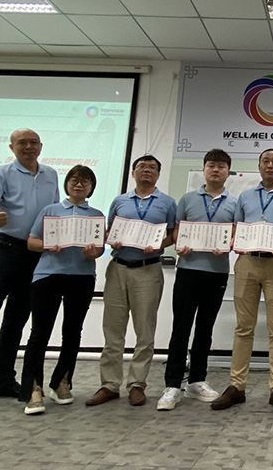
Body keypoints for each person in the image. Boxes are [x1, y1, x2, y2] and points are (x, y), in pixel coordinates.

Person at [0, 128, 60, 410]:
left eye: (33, 142)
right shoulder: (1, 173)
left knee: (16, 321)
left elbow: (54, 213)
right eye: (22, 143)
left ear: (40, 146)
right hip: (4, 250)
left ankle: (4, 381)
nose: (28, 147)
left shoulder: (51, 175)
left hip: (34, 254)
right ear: (12, 147)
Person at [211, 149, 273, 413]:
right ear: (259, 166)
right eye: (266, 161)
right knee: (244, 327)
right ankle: (236, 386)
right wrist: (229, 240)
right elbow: (237, 228)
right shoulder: (245, 196)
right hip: (248, 263)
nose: (270, 165)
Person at [85, 155, 176, 407]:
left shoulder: (167, 202)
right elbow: (108, 231)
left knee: (145, 331)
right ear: (133, 173)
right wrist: (111, 240)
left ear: (158, 174)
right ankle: (109, 385)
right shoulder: (119, 201)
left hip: (149, 269)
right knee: (113, 329)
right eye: (142, 167)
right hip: (118, 268)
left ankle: (137, 384)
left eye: (152, 167)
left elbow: (173, 234)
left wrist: (159, 244)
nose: (146, 170)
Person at [19, 165, 105, 415]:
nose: (79, 185)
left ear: (91, 187)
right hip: (48, 276)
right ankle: (33, 389)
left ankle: (62, 382)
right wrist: (48, 245)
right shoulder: (51, 210)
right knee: (39, 334)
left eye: (85, 181)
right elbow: (31, 242)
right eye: (74, 180)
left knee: (73, 332)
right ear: (66, 184)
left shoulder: (96, 215)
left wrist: (93, 253)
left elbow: (100, 249)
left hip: (81, 277)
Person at [156, 149, 237, 411]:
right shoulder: (188, 199)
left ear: (228, 171)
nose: (216, 170)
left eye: (221, 166)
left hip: (217, 272)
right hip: (188, 269)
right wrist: (180, 244)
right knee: (181, 326)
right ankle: (172, 384)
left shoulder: (234, 203)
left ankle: (197, 380)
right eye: (211, 165)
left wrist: (228, 245)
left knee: (205, 328)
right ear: (204, 169)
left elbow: (236, 235)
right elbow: (178, 231)